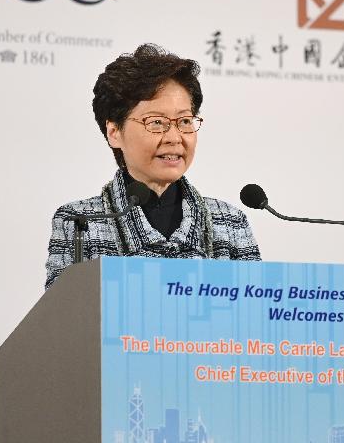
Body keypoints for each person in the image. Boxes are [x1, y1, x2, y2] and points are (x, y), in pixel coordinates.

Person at [44, 44, 261, 288]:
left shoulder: (230, 222)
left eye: (185, 121)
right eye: (156, 122)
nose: (174, 137)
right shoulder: (80, 222)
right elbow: (64, 320)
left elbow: (254, 319)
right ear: (114, 132)